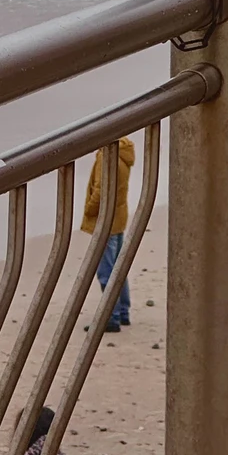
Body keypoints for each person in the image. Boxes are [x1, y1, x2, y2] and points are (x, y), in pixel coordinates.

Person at [81, 134, 134, 332]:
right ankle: (123, 312)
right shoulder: (123, 153)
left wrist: (89, 210)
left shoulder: (107, 155)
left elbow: (101, 190)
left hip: (106, 219)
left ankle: (111, 316)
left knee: (107, 271)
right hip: (118, 216)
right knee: (118, 267)